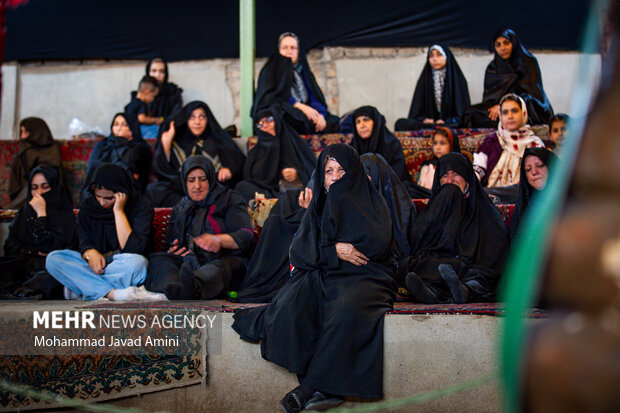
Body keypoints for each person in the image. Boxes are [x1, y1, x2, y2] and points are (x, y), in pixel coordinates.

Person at [232, 144, 397, 412]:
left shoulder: (372, 201)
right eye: (328, 171)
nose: (334, 177)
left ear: (353, 172)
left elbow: (376, 247)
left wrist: (331, 254)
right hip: (327, 271)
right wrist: (334, 251)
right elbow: (299, 251)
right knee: (293, 299)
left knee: (345, 305)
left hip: (367, 276)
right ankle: (321, 386)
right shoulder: (320, 204)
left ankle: (309, 388)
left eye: (341, 170)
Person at [396, 153, 509, 304]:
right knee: (410, 266)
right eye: (444, 176)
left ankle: (462, 290)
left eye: (455, 174)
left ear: (467, 176)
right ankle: (434, 293)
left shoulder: (483, 208)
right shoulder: (436, 206)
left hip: (471, 267)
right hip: (442, 266)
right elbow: (419, 242)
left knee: (475, 275)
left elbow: (495, 249)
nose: (450, 180)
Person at [46, 164, 161, 301]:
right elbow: (84, 241)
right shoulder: (88, 206)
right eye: (98, 196)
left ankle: (82, 290)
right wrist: (90, 253)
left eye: (109, 198)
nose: (102, 203)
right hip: (93, 266)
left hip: (120, 265)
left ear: (122, 193)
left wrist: (119, 211)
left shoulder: (141, 206)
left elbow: (133, 249)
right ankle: (113, 294)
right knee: (54, 258)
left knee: (138, 263)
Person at [145, 156, 254, 300]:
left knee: (219, 269)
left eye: (202, 179)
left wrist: (219, 240)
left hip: (223, 259)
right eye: (191, 181)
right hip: (190, 262)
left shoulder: (229, 199)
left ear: (211, 178)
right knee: (160, 262)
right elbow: (170, 244)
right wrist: (174, 250)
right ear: (184, 182)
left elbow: (246, 235)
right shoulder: (183, 206)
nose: (197, 186)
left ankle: (192, 287)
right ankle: (176, 287)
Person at [148, 101, 246, 207]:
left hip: (213, 189)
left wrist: (230, 170)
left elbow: (239, 161)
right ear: (185, 120)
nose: (197, 122)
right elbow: (163, 172)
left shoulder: (216, 139)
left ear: (208, 120)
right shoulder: (177, 143)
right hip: (182, 191)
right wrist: (166, 145)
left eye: (202, 117)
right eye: (192, 117)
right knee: (155, 190)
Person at [0, 166, 76, 299]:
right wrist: (34, 252)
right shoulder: (25, 212)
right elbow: (10, 248)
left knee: (49, 277)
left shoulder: (64, 214)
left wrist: (41, 215)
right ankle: (20, 290)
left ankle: (17, 290)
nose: (39, 193)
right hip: (25, 265)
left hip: (50, 268)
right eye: (34, 188)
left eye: (45, 187)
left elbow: (52, 249)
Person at [461, 28, 554, 128]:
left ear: (514, 43)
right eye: (498, 45)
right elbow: (489, 100)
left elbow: (532, 93)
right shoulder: (493, 68)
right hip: (500, 110)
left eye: (506, 43)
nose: (503, 48)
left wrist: (503, 106)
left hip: (525, 105)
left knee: (526, 107)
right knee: (469, 113)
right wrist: (497, 108)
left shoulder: (528, 62)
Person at [252, 32, 339, 134]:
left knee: (336, 122)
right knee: (285, 115)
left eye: (293, 48)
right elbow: (269, 99)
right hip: (287, 112)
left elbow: (313, 95)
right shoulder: (270, 71)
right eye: (285, 48)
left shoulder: (302, 71)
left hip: (307, 114)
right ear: (279, 50)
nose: (289, 51)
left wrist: (319, 116)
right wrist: (298, 105)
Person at [235, 109, 316, 202]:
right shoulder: (255, 151)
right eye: (260, 124)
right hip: (261, 192)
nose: (265, 126)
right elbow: (248, 178)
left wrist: (297, 174)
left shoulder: (293, 144)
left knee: (294, 196)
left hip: (287, 192)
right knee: (241, 187)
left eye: (269, 120)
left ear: (277, 121)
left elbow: (312, 169)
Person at [349, 105, 424, 197]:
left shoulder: (391, 144)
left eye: (366, 120)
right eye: (358, 122)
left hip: (390, 189)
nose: (362, 125)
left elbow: (397, 175)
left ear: (376, 122)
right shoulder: (352, 148)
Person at [473, 93, 545, 187]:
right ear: (500, 116)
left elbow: (542, 176)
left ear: (523, 113)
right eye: (505, 112)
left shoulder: (535, 143)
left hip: (525, 196)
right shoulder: (492, 141)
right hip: (493, 196)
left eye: (514, 111)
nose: (510, 116)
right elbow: (477, 170)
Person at [395, 44, 470, 131]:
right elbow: (415, 114)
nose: (435, 59)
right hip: (429, 125)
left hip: (450, 124)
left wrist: (446, 121)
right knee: (400, 123)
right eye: (431, 56)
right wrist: (424, 120)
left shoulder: (458, 79)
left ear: (446, 57)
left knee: (458, 124)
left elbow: (463, 115)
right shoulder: (425, 79)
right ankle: (435, 127)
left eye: (439, 55)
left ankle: (438, 127)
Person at [82, 113, 153, 198]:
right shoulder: (103, 145)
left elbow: (135, 171)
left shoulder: (140, 147)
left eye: (124, 125)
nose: (119, 128)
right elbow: (93, 165)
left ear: (132, 128)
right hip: (100, 185)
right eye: (116, 124)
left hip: (126, 189)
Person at [8, 117, 64, 209]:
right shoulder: (25, 150)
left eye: (25, 132)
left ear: (37, 133)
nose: (22, 136)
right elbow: (19, 178)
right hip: (26, 190)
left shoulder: (53, 149)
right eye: (21, 132)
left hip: (51, 190)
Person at [509, 147, 558, 241]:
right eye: (528, 169)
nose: (534, 172)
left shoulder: (570, 203)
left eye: (540, 165)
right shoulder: (523, 208)